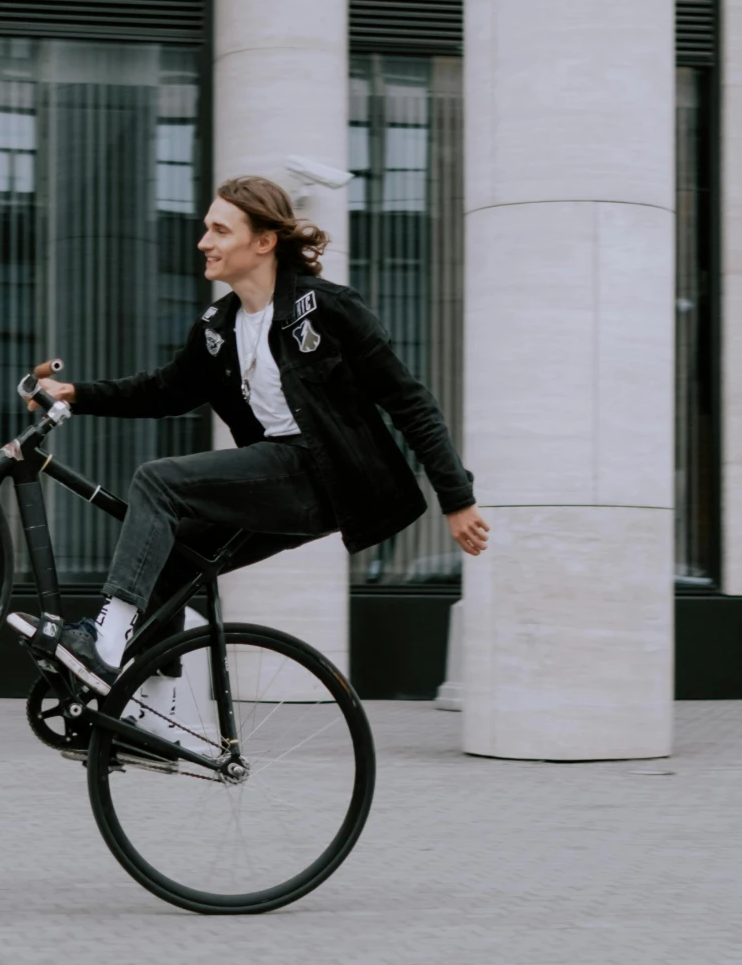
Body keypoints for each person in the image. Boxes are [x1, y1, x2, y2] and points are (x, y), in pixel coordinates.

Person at [34, 173, 488, 698]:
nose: (204, 242)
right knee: (175, 550)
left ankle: (106, 642)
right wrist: (76, 394)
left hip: (322, 474)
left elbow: (410, 402)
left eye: (220, 231)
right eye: (206, 229)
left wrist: (456, 497)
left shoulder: (328, 308)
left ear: (264, 242)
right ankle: (154, 698)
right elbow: (164, 391)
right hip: (279, 479)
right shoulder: (218, 326)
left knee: (157, 483)